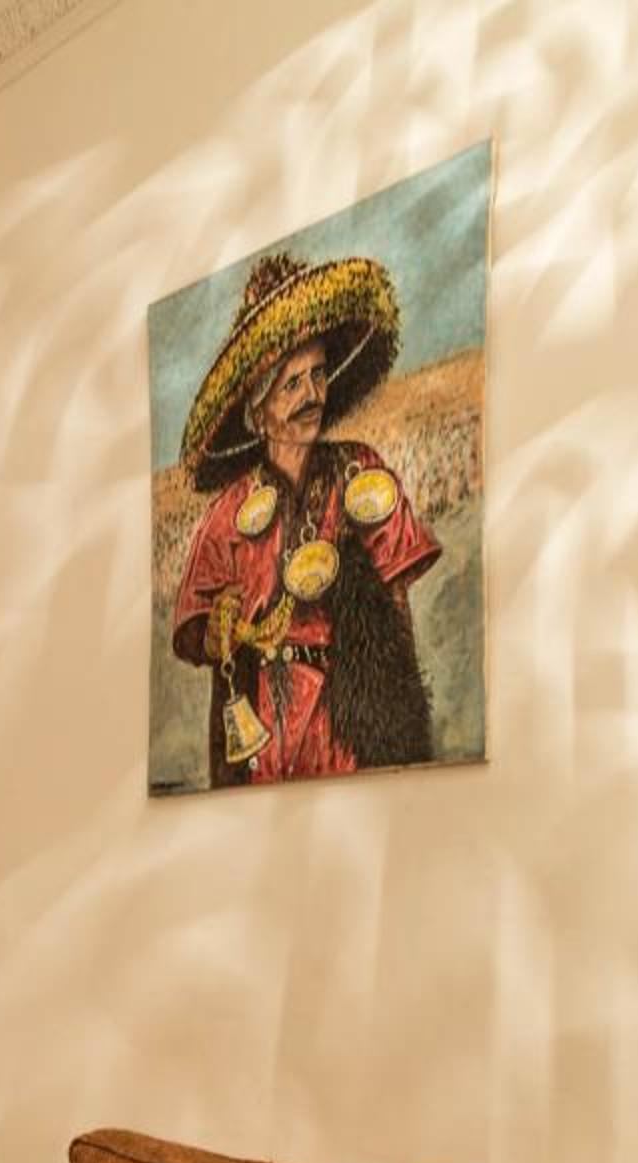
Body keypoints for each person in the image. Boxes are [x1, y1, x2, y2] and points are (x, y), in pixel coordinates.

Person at [170, 252, 440, 786]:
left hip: (349, 717)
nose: (312, 395)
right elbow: (194, 629)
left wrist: (400, 723)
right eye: (291, 384)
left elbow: (395, 609)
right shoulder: (228, 513)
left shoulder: (361, 472)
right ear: (258, 412)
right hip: (264, 727)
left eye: (317, 375)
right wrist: (220, 630)